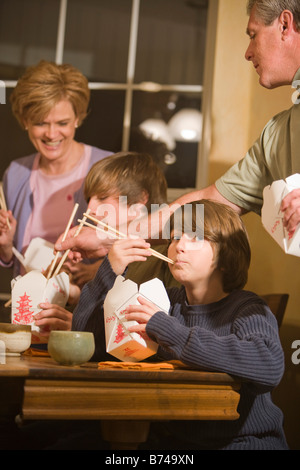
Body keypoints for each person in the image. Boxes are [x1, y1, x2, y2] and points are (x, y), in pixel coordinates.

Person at [54, 0, 300, 259]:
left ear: (284, 25)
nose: (248, 52)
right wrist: (103, 238)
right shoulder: (276, 134)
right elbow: (202, 206)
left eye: (253, 35)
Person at [72, 199, 288, 450]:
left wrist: (170, 331)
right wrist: (110, 270)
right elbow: (88, 343)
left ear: (227, 255)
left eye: (195, 238)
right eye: (174, 238)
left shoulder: (246, 308)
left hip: (245, 443)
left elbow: (268, 365)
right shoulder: (164, 302)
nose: (179, 246)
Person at [34, 151, 180, 335]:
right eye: (89, 199)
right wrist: (68, 293)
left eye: (102, 198)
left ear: (140, 201)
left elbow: (162, 329)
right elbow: (112, 308)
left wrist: (83, 327)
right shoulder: (117, 254)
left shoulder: (172, 254)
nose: (90, 209)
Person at [0, 60, 112, 280]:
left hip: (84, 308)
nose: (52, 134)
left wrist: (93, 271)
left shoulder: (108, 168)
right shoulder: (16, 174)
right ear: (25, 121)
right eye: (41, 123)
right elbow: (11, 259)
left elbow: (132, 242)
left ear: (77, 119)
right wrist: (5, 246)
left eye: (62, 123)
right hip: (28, 303)